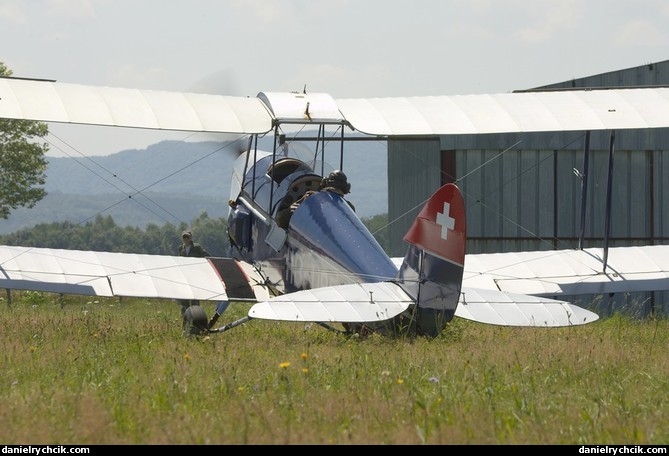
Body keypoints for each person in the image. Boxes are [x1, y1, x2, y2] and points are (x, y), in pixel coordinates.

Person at [177, 230, 210, 316]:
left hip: (195, 275)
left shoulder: (197, 247)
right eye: (184, 237)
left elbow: (206, 255)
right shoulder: (181, 248)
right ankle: (185, 315)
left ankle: (196, 315)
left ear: (191, 238)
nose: (186, 239)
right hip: (184, 275)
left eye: (187, 237)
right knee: (184, 296)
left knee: (195, 296)